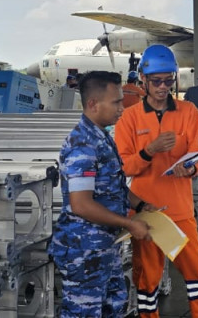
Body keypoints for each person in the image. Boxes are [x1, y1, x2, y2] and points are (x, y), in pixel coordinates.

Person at [115, 45, 198, 318]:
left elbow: (197, 154)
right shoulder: (129, 119)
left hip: (181, 211)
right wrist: (150, 150)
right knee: (147, 280)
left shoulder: (188, 112)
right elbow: (123, 166)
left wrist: (190, 167)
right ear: (143, 81)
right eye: (156, 81)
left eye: (168, 80)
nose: (162, 87)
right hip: (146, 213)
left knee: (196, 273)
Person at [48, 71, 155, 317]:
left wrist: (140, 205)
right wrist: (129, 223)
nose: (122, 108)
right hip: (83, 250)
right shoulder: (82, 144)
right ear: (93, 104)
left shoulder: (101, 137)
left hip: (104, 245)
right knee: (84, 313)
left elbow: (112, 187)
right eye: (116, 102)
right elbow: (81, 205)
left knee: (114, 306)